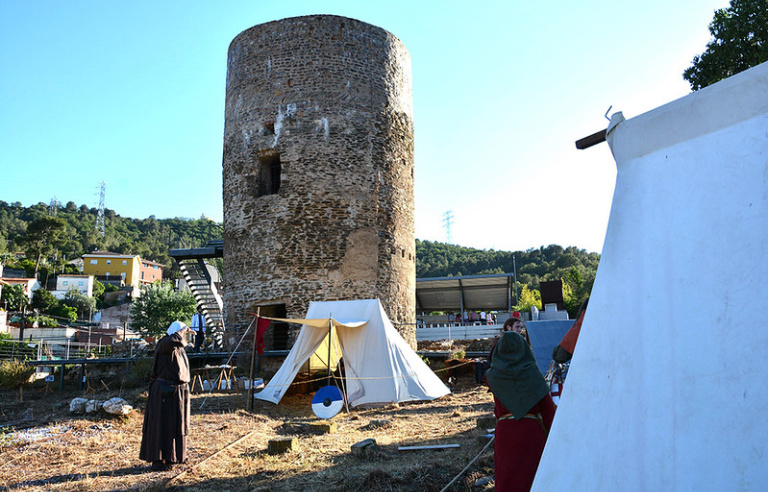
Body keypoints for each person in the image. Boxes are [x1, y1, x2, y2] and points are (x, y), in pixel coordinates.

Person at [485, 331, 556, 491]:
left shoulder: (492, 376)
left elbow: (493, 356)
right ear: (524, 348)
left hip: (506, 435)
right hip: (531, 434)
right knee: (533, 482)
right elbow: (548, 411)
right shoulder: (533, 374)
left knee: (508, 482)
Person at [139, 321, 192, 471]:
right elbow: (175, 339)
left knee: (176, 426)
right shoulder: (166, 343)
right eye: (183, 332)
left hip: (175, 391)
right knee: (162, 426)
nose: (185, 336)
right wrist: (181, 331)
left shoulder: (175, 346)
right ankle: (158, 460)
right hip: (164, 391)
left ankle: (172, 458)